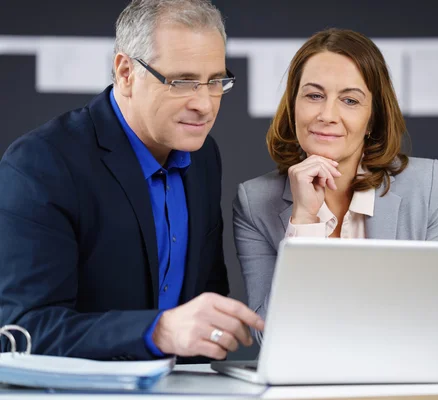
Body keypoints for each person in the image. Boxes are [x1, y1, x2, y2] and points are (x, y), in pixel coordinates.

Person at [0, 0, 263, 363]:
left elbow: (203, 304)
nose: (204, 104)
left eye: (215, 81)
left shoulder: (203, 157)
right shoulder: (42, 164)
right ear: (125, 73)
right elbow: (22, 331)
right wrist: (158, 330)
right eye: (183, 82)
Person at [233, 28, 438, 354]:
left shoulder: (426, 185)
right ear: (293, 107)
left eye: (350, 100)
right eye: (314, 95)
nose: (327, 115)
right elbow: (268, 335)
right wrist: (304, 221)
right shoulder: (254, 202)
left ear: (372, 118)